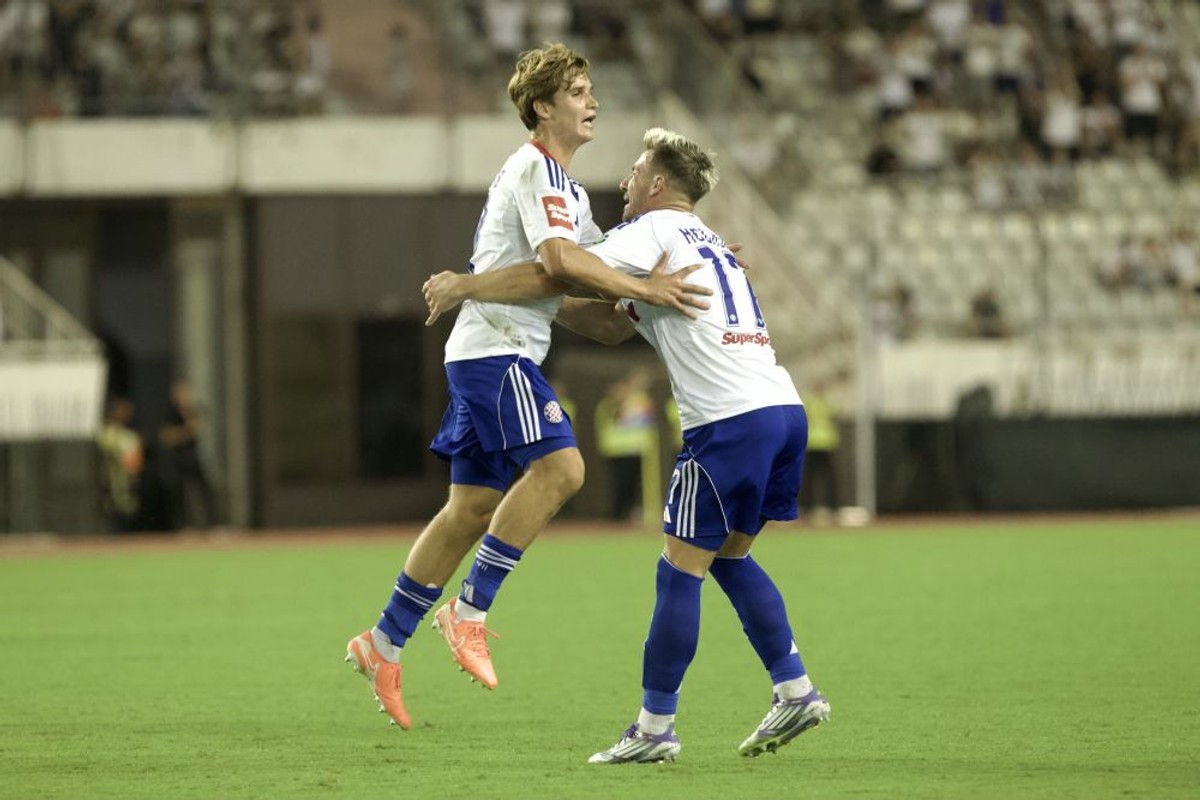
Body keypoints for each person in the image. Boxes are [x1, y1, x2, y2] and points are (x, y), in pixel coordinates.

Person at [423, 128, 830, 763]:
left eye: (637, 171)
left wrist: (468, 286)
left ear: (660, 184)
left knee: (678, 573)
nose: (625, 182)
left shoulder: (650, 233)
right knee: (728, 556)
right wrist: (551, 301)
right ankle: (795, 688)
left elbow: (554, 267)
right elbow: (612, 322)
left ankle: (654, 729)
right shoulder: (710, 241)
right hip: (782, 409)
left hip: (726, 423)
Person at [344, 43, 710, 731]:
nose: (591, 99)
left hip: (494, 349)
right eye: (576, 90)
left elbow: (593, 310)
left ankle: (383, 643)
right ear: (543, 107)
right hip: (496, 353)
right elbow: (558, 266)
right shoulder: (536, 167)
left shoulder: (570, 193)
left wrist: (670, 292)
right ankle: (469, 609)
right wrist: (640, 286)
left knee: (471, 507)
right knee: (564, 468)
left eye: (590, 87)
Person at [594, 367, 657, 522]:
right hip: (616, 449)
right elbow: (615, 420)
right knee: (619, 484)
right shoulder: (609, 405)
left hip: (636, 448)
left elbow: (648, 419)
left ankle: (628, 513)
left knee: (633, 484)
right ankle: (617, 515)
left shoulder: (640, 400)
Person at [158, 379, 216, 530]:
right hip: (177, 458)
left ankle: (211, 525)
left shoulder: (191, 411)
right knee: (179, 494)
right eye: (180, 393)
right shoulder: (170, 413)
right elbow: (166, 437)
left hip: (193, 457)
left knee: (205, 490)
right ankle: (183, 526)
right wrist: (186, 431)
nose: (183, 396)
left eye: (186, 393)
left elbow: (200, 428)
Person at [97, 397, 144, 533]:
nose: (126, 414)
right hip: (108, 487)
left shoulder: (129, 435)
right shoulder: (106, 433)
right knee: (112, 521)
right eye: (122, 410)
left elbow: (135, 463)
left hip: (127, 486)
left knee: (127, 519)